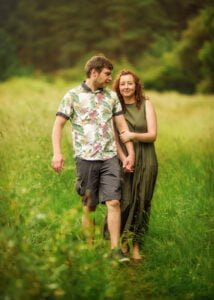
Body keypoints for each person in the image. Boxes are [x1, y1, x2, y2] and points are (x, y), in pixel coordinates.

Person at [51, 55, 134, 261]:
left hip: (109, 158)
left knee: (114, 202)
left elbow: (122, 127)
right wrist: (57, 152)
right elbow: (58, 126)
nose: (110, 77)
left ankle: (115, 250)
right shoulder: (72, 96)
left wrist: (129, 153)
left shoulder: (112, 97)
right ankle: (89, 249)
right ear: (94, 72)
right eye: (107, 73)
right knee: (90, 205)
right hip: (85, 159)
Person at [113, 70, 158, 261]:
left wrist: (133, 136)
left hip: (147, 157)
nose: (126, 87)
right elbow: (114, 139)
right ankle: (122, 242)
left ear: (136, 85)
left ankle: (137, 246)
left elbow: (152, 135)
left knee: (142, 202)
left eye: (129, 83)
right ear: (118, 86)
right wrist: (124, 159)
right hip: (123, 159)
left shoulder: (146, 104)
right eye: (122, 84)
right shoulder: (115, 107)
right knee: (125, 201)